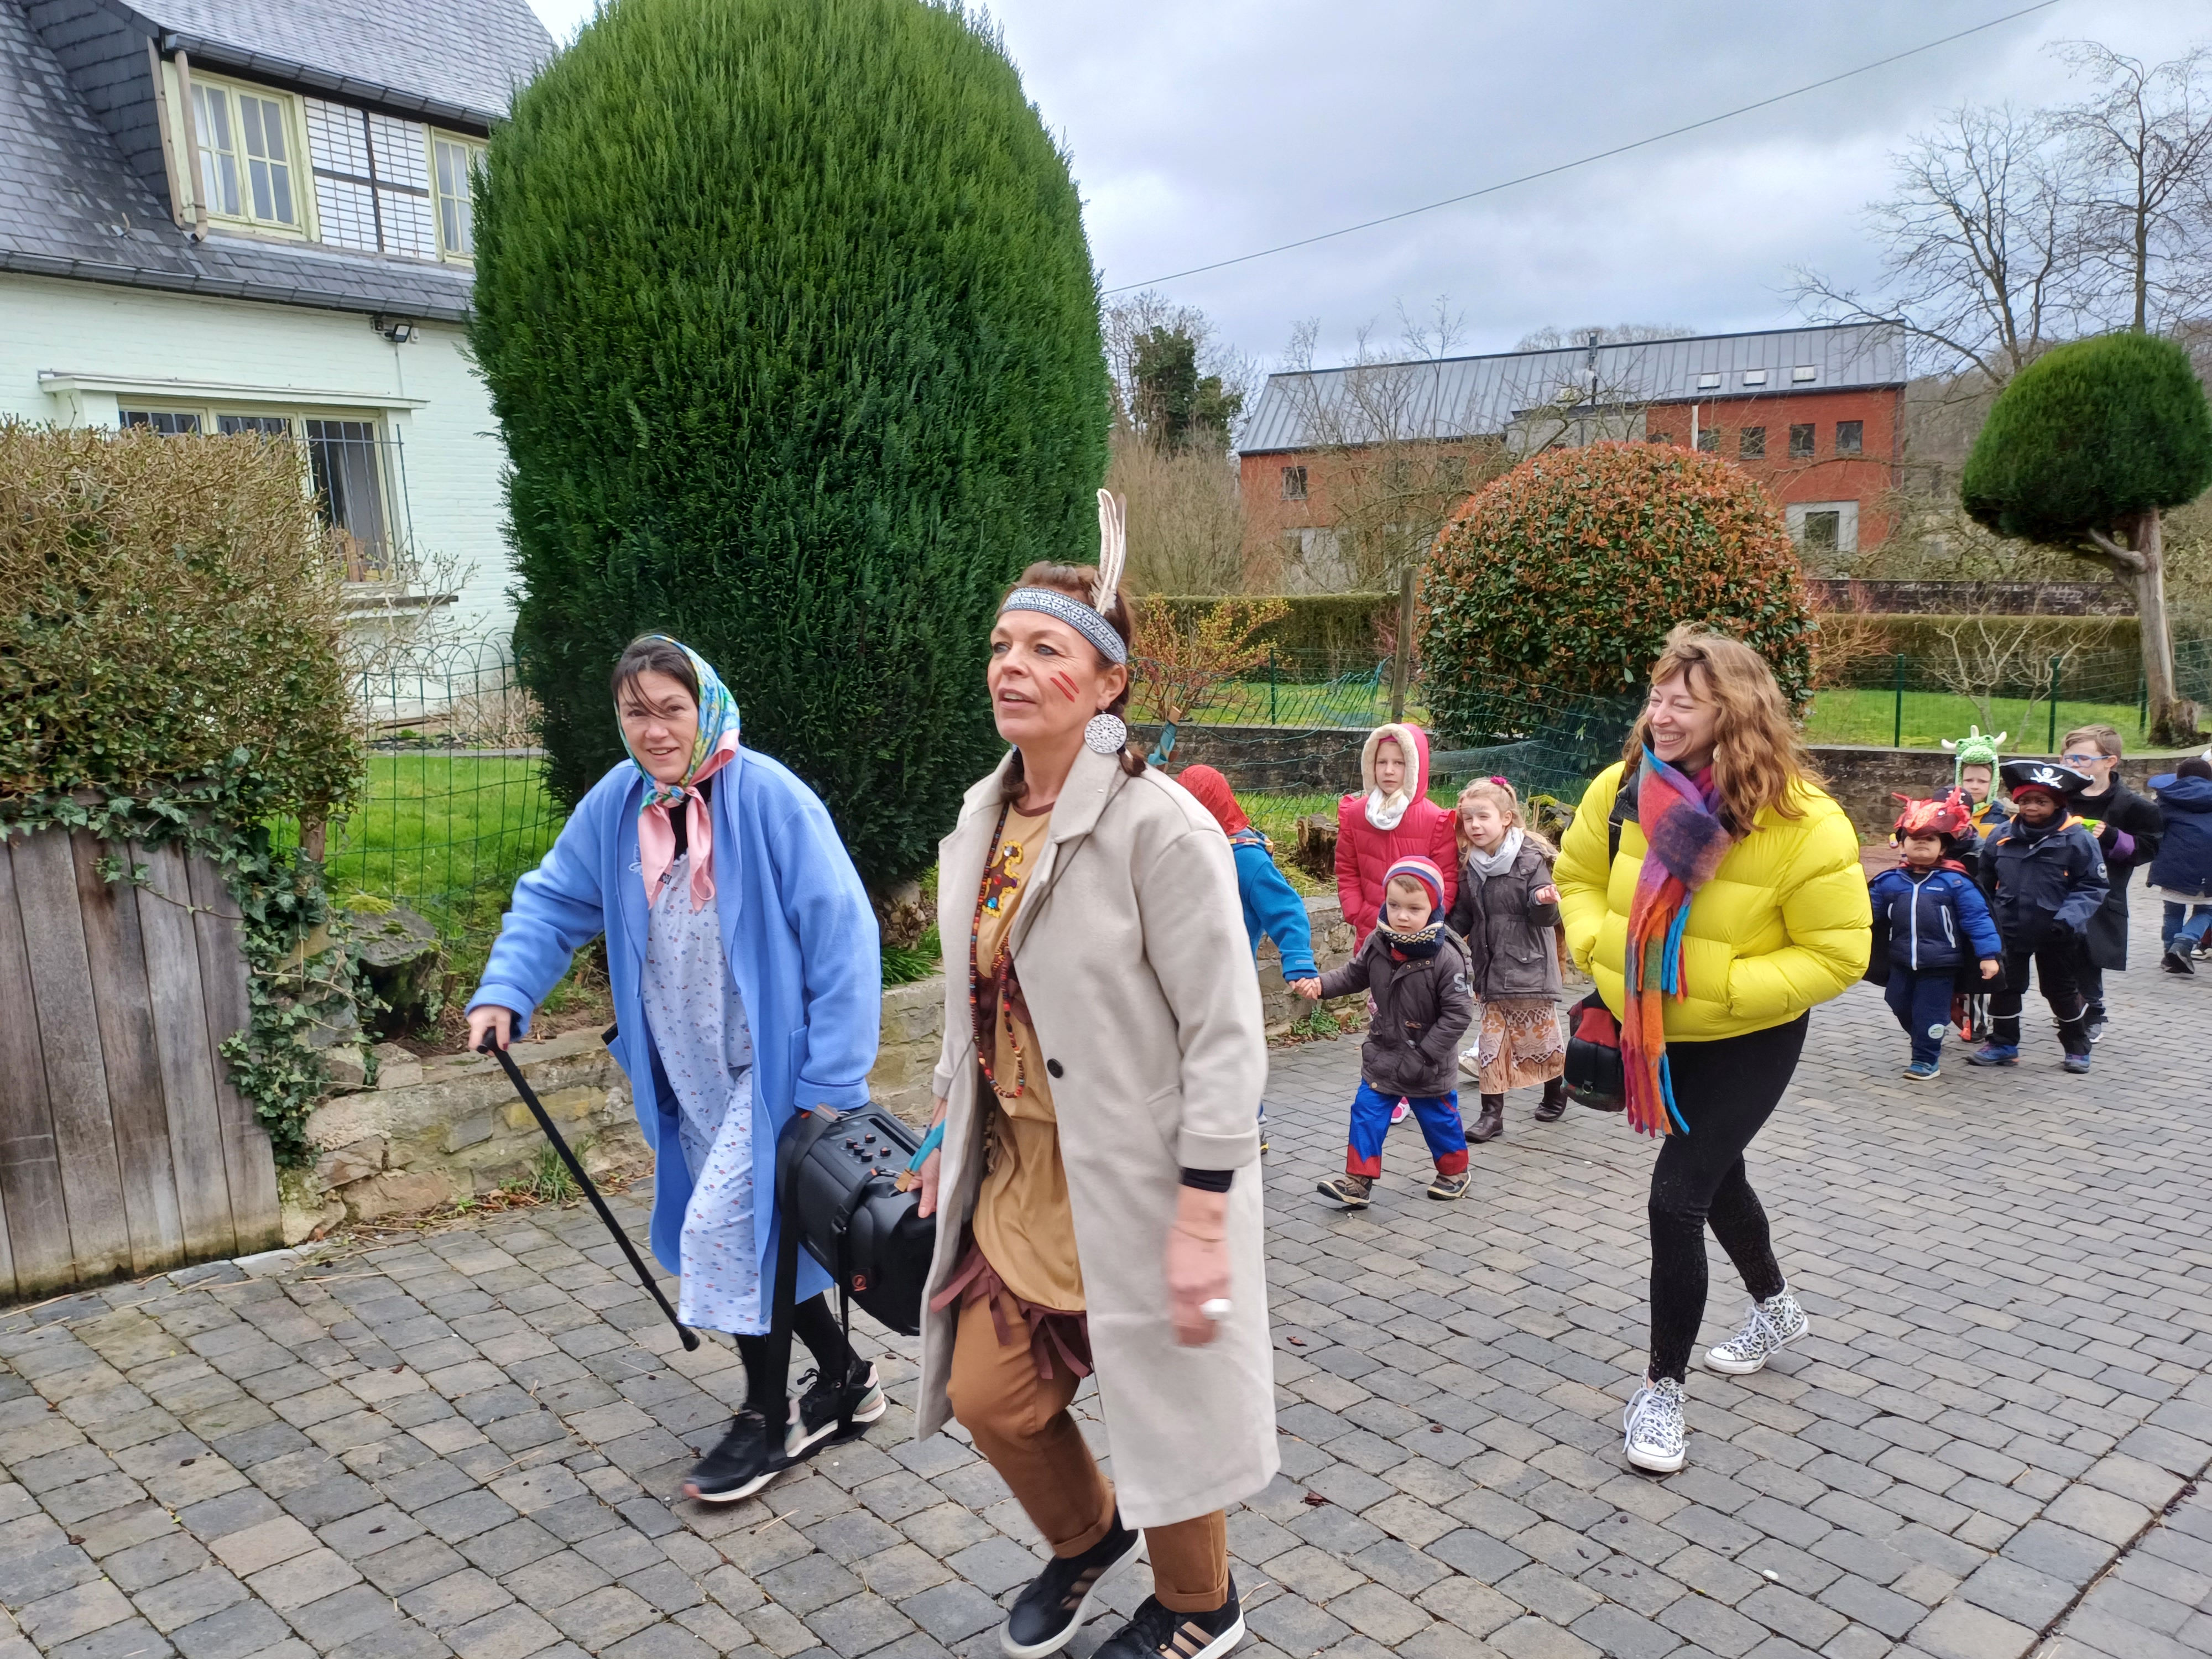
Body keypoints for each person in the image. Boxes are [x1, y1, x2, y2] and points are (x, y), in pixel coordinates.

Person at [910, 494, 1272, 1659]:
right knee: (987, 1397)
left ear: (1107, 683)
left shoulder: (1161, 830)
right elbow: (970, 993)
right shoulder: (979, 819)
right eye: (1002, 648)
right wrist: (940, 1119)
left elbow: (1224, 1028)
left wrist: (1206, 1206)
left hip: (1143, 1170)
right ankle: (1082, 1539)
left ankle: (1196, 1605)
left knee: (1168, 1407)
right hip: (1017, 1169)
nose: (1010, 669)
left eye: (1044, 650)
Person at [466, 636, 883, 1505]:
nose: (654, 730)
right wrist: (505, 990)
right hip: (687, 1064)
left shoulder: (768, 798)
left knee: (721, 1230)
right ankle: (846, 1377)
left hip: (777, 1071)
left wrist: (832, 1086)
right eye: (636, 712)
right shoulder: (621, 805)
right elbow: (551, 899)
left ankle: (767, 1422)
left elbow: (845, 937)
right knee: (759, 1228)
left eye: (670, 709)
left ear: (707, 708)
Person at [1554, 625, 1869, 1476]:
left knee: (1677, 1196)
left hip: (1747, 1035)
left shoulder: (1802, 820)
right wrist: (1599, 952)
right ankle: (1775, 1307)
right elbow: (1575, 876)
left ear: (1736, 712)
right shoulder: (1625, 788)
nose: (1660, 714)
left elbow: (1840, 953)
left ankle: (1662, 1392)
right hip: (1653, 1028)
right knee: (1719, 1176)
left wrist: (1715, 981)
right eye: (1656, 696)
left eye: (1682, 703)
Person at [1301, 857, 1474, 1206]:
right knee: (1366, 1112)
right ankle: (1357, 1181)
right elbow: (1353, 974)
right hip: (1385, 1051)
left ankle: (1454, 1172)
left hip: (1428, 1060)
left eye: (1414, 908)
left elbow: (1458, 1015)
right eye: (1394, 905)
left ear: (1434, 907)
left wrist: (1426, 1055)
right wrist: (1321, 985)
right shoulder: (1379, 942)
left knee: (1438, 1119)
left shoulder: (1447, 957)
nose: (1402, 916)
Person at [1178, 764, 1321, 1152]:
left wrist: (1299, 963)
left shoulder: (1247, 859)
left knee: (1233, 1052)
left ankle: (1250, 1124)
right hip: (1188, 974)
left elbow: (1288, 912)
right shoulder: (1194, 848)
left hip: (1230, 975)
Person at [1446, 776, 1566, 1141]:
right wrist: (1440, 936)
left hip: (1529, 964)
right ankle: (1492, 1116)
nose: (1475, 826)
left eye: (1483, 817)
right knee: (1491, 1043)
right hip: (1490, 967)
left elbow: (1545, 919)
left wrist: (1544, 901)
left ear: (1508, 818)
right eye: (1468, 819)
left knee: (1539, 1043)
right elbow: (1464, 915)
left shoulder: (1530, 861)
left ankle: (1556, 1090)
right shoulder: (1472, 865)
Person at [1969, 760, 2109, 1074]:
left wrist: (2068, 920)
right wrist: (1987, 920)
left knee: (2060, 991)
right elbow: (1984, 883)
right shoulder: (2001, 836)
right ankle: (2004, 1043)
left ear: (2057, 803)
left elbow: (2092, 885)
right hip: (2010, 928)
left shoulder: (2077, 839)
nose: (2032, 807)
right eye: (2025, 800)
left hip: (2057, 931)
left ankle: (2076, 1046)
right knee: (2006, 987)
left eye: (2041, 801)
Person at [1865, 794, 2002, 1081]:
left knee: (1929, 1013)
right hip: (1901, 961)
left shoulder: (1955, 882)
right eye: (1914, 838)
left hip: (1941, 965)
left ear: (1944, 846)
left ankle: (1926, 1059)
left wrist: (1989, 956)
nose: (1921, 843)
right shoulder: (1889, 881)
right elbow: (1866, 917)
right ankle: (1925, 1037)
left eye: (1930, 838)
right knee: (1899, 1004)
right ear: (1902, 843)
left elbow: (1978, 919)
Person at [2061, 724, 2163, 1042]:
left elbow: (2148, 847)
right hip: (2057, 885)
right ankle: (2068, 1005)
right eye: (2068, 759)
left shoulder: (2133, 805)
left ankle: (2094, 1009)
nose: (2074, 765)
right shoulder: (2061, 796)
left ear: (2110, 761)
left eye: (2082, 758)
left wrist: (2111, 835)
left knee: (2090, 953)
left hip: (2101, 892)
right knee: (2060, 949)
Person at [1335, 722, 1459, 951]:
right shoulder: (1355, 815)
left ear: (1415, 767)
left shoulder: (1435, 821)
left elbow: (1447, 879)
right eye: (1381, 762)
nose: (1388, 770)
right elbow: (1346, 868)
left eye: (1399, 763)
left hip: (1419, 934)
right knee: (1375, 985)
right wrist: (1356, 912)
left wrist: (1425, 918)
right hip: (1371, 931)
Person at [2148, 755, 2212, 973]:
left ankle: (2170, 957)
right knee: (2206, 911)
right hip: (2209, 866)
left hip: (2174, 864)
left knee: (2173, 912)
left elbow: (2154, 829)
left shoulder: (2167, 798)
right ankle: (2184, 943)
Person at [1942, 726, 2008, 839]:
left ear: (1994, 782)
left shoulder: (2002, 820)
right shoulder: (1945, 815)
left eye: (1982, 781)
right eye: (1968, 780)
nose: (1974, 787)